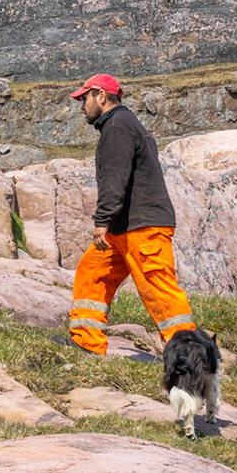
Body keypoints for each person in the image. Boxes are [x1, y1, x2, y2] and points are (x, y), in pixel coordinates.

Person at [65, 73, 196, 354]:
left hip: (143, 227)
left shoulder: (118, 127)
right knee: (92, 270)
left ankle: (189, 356)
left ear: (101, 95)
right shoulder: (119, 124)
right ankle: (87, 342)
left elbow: (115, 178)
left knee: (157, 288)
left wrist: (102, 221)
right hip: (123, 227)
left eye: (84, 97)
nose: (81, 105)